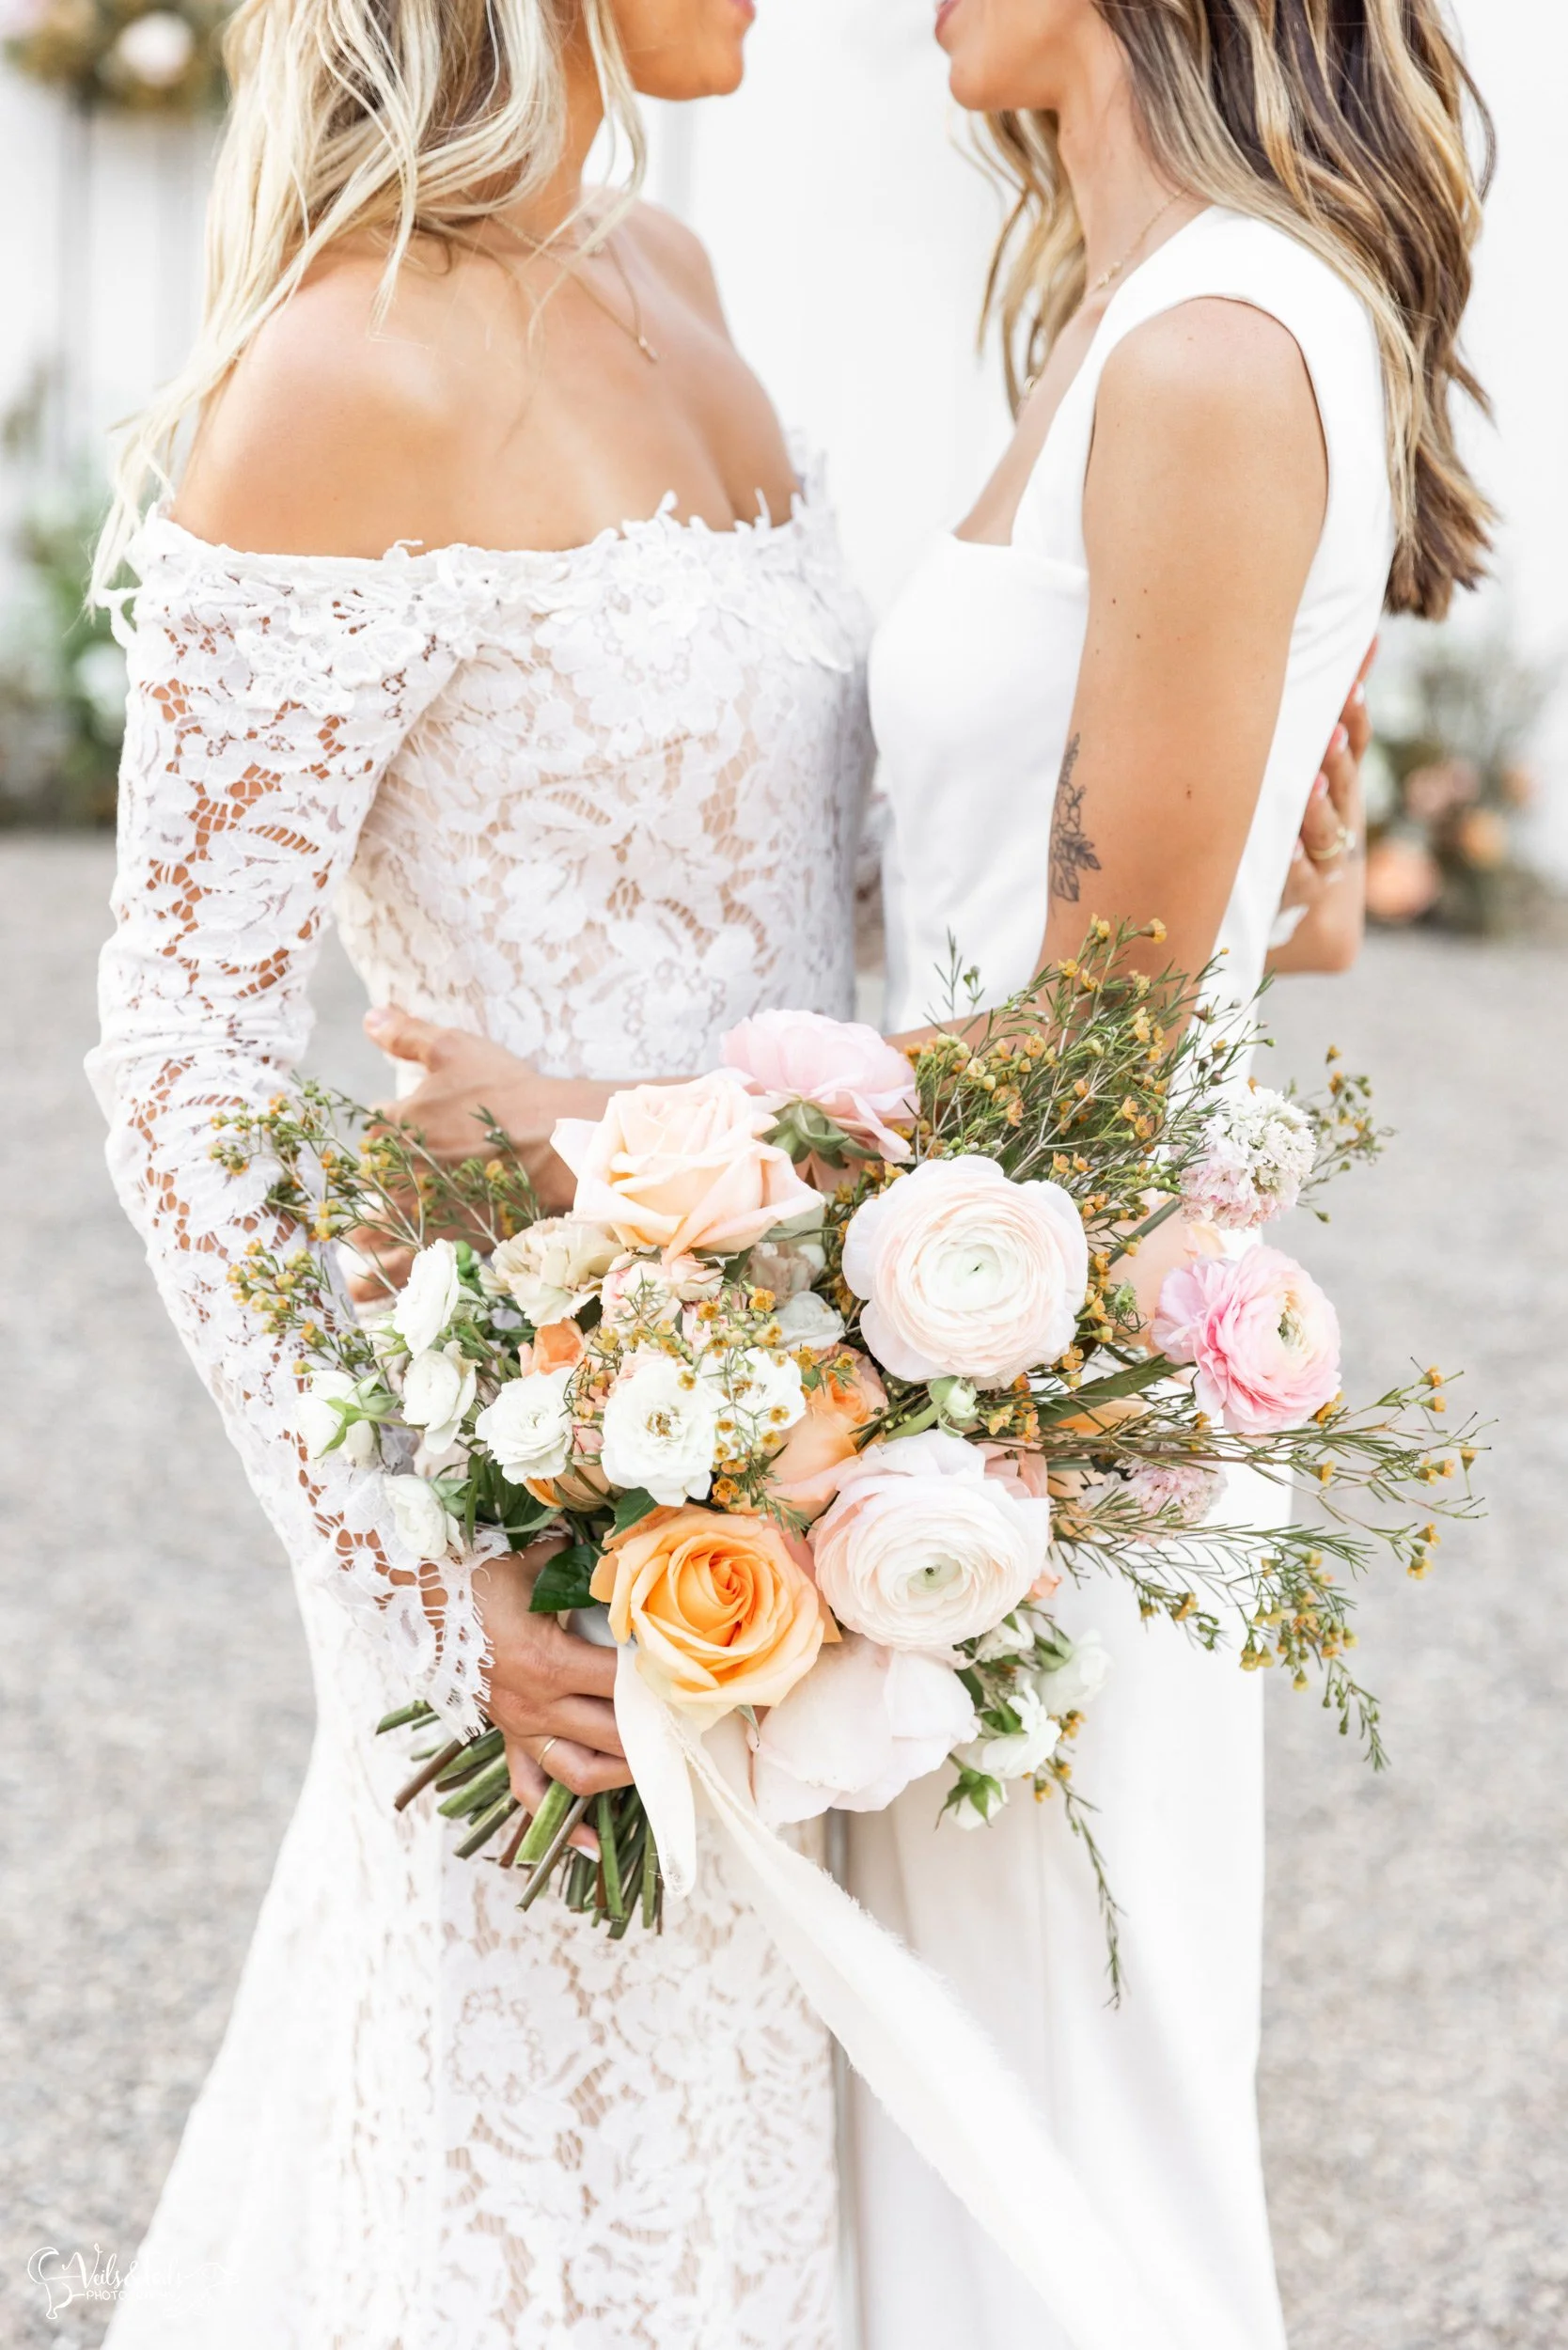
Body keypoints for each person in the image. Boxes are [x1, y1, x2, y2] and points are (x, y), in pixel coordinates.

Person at [86, 1, 870, 2342]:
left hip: (812, 1447)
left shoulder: (678, 283)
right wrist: (428, 1569)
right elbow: (181, 1048)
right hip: (533, 1502)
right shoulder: (350, 371)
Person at [844, 4, 1492, 2348]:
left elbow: (1097, 1043)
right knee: (960, 2133)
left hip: (1044, 1369)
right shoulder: (1133, 308)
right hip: (967, 1334)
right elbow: (1234, 918)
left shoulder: (1219, 341)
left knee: (1061, 2166)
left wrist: (604, 1155)